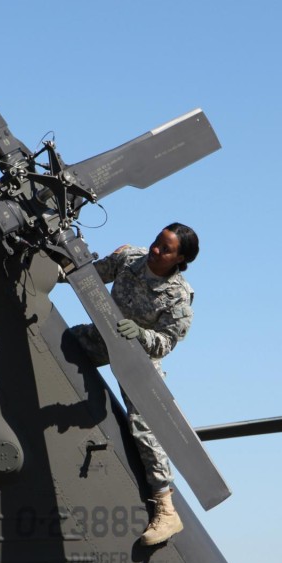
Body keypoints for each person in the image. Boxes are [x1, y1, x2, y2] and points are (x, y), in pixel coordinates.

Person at [70, 222, 199, 546]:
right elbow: (89, 275)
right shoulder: (130, 259)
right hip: (105, 336)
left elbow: (166, 343)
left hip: (139, 359)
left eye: (165, 249)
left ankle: (166, 510)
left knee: (145, 428)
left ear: (179, 259)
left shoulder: (178, 297)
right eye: (157, 242)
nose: (156, 250)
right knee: (60, 345)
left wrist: (141, 335)